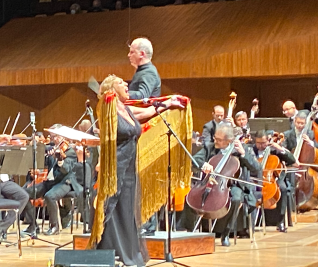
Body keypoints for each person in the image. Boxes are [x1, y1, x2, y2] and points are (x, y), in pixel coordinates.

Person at [87, 75, 182, 267]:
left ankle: (128, 253)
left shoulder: (127, 110)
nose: (127, 85)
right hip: (115, 168)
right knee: (112, 209)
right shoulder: (107, 107)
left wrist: (169, 102)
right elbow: (107, 128)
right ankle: (108, 251)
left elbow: (147, 111)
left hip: (130, 168)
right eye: (121, 83)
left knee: (127, 210)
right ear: (112, 90)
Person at [193, 123, 261, 246]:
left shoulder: (243, 149)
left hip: (234, 184)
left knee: (235, 199)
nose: (215, 141)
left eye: (219, 140)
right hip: (211, 181)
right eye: (215, 138)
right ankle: (199, 232)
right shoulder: (210, 147)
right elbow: (195, 160)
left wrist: (243, 155)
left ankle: (226, 233)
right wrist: (203, 164)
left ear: (229, 141)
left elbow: (256, 169)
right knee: (195, 197)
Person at [23, 130, 82, 236]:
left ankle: (55, 226)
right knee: (23, 194)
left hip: (65, 182)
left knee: (50, 196)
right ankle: (33, 226)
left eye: (57, 137)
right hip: (50, 182)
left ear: (64, 137)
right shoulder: (51, 149)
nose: (55, 139)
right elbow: (40, 158)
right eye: (53, 136)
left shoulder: (70, 153)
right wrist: (36, 146)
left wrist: (60, 160)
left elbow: (66, 170)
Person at [253, 130, 295, 232]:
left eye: (263, 143)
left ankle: (280, 222)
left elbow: (292, 160)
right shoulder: (251, 150)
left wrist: (279, 148)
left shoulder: (275, 150)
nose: (261, 145)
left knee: (283, 189)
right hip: (255, 178)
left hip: (273, 178)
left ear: (268, 141)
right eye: (258, 143)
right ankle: (250, 223)